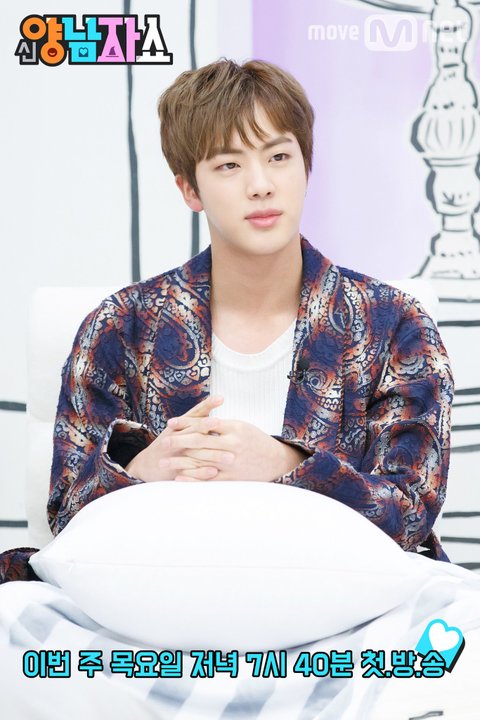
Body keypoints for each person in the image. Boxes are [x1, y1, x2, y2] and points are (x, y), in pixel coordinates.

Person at [0, 57, 454, 583]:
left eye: (279, 157)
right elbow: (66, 515)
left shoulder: (394, 324)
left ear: (306, 167)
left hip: (342, 599)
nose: (261, 185)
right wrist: (144, 470)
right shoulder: (120, 326)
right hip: (161, 595)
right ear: (189, 189)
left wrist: (287, 465)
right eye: (229, 166)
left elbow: (411, 513)